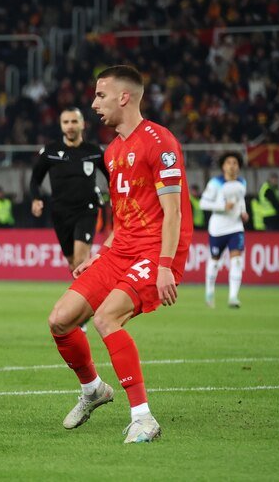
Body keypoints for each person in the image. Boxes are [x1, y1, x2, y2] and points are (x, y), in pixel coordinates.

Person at [47, 66, 193, 444]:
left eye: (100, 96)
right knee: (60, 321)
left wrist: (165, 268)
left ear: (124, 97)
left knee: (107, 318)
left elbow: (173, 212)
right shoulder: (112, 152)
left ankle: (143, 418)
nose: (94, 104)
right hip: (121, 251)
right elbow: (124, 216)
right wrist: (100, 252)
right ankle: (93, 389)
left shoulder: (159, 142)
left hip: (155, 251)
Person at [30, 107, 109, 272]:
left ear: (82, 124)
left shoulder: (94, 152)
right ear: (61, 125)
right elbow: (35, 179)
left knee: (81, 261)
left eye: (74, 121)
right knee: (73, 263)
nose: (70, 126)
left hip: (86, 210)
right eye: (66, 122)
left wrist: (113, 198)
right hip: (60, 213)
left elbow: (112, 177)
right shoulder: (50, 152)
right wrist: (36, 199)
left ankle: (87, 298)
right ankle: (85, 293)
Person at [199, 152, 248, 308]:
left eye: (235, 163)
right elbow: (203, 204)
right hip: (218, 229)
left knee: (237, 260)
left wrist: (243, 212)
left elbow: (240, 201)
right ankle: (209, 292)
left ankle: (233, 297)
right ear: (223, 166)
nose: (232, 166)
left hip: (235, 227)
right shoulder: (215, 183)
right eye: (229, 163)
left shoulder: (242, 182)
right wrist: (222, 207)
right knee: (214, 262)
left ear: (239, 166)